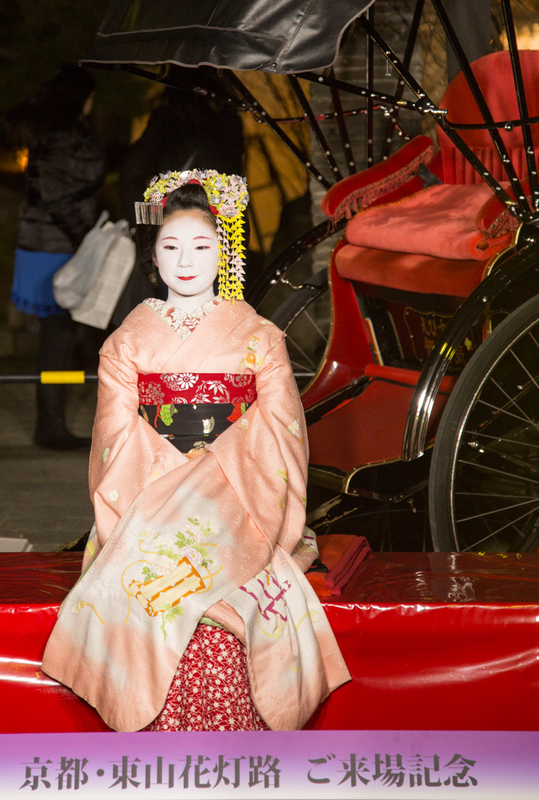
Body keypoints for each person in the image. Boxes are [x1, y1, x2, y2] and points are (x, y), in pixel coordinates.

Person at [42, 169, 350, 732]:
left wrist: (210, 479)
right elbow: (116, 443)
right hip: (146, 497)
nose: (186, 260)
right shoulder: (127, 341)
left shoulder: (259, 336)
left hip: (244, 494)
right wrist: (173, 489)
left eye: (202, 246)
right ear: (153, 257)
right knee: (158, 595)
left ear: (224, 251)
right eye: (171, 246)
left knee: (235, 608)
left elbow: (282, 434)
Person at [7, 64, 106, 450]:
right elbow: (57, 195)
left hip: (50, 244)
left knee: (62, 336)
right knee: (59, 336)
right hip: (58, 248)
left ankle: (53, 422)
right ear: (79, 97)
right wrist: (88, 233)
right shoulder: (63, 137)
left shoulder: (57, 134)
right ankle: (50, 425)